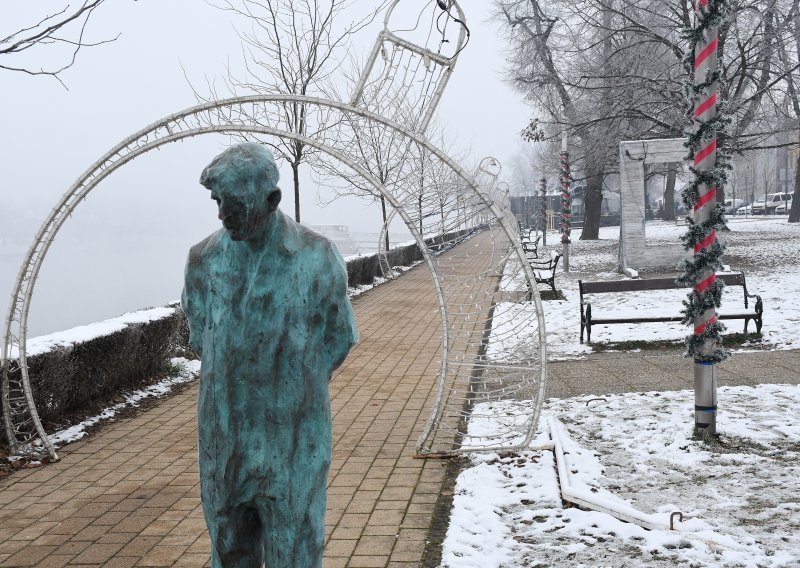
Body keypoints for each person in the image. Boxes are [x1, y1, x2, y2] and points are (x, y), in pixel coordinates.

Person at [182, 143, 358, 567]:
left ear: (272, 199)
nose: (222, 214)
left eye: (234, 203)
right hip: (224, 437)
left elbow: (339, 337)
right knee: (228, 549)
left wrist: (290, 381)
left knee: (295, 550)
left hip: (295, 436)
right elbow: (200, 339)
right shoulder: (202, 260)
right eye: (217, 201)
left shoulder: (317, 257)